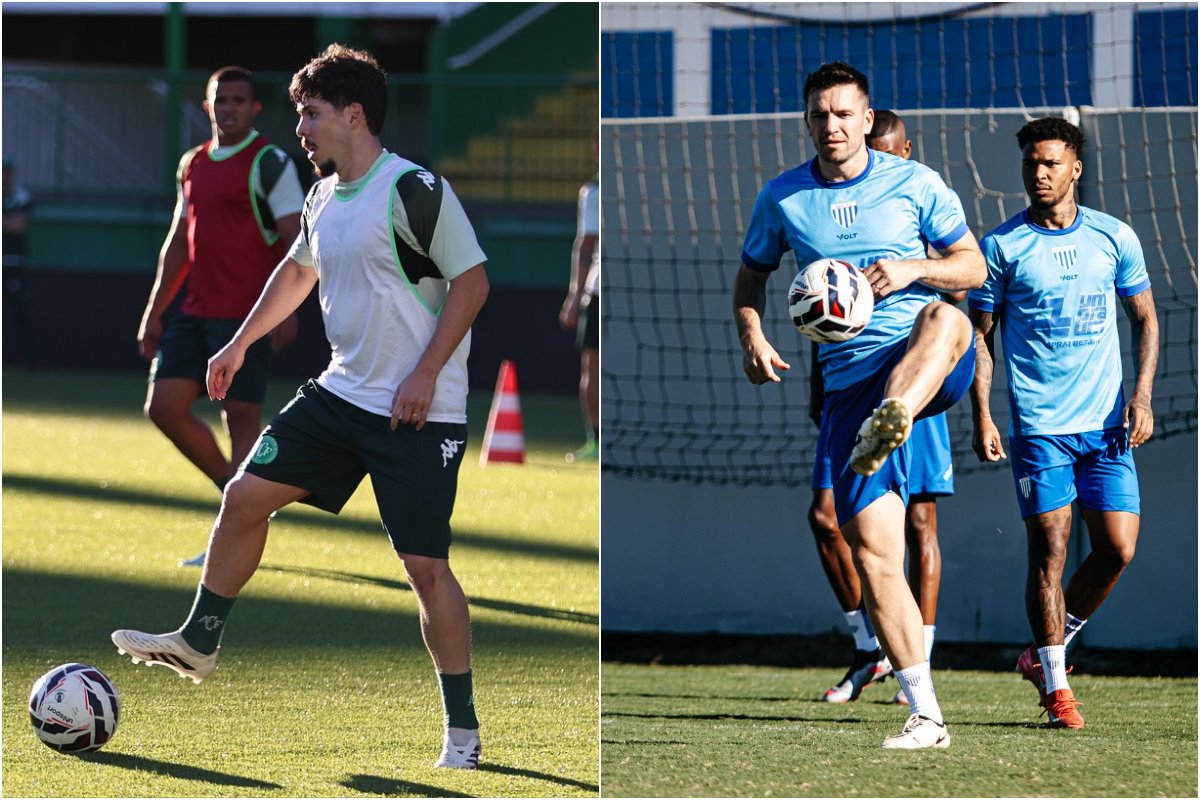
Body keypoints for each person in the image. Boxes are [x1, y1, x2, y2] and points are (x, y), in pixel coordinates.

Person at [113, 43, 491, 769]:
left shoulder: (414, 189)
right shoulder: (321, 196)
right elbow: (296, 272)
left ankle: (463, 734)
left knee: (425, 569)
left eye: (310, 114)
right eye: (297, 114)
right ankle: (200, 640)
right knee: (243, 495)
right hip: (340, 392)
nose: (300, 128)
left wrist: (425, 373)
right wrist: (237, 347)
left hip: (420, 411)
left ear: (354, 115)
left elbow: (471, 285)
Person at [733, 61, 984, 749]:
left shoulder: (915, 182)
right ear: (807, 120)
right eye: (820, 114)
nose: (832, 125)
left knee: (947, 319)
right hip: (848, 388)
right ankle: (926, 715)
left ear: (868, 120)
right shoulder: (783, 198)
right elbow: (749, 281)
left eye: (844, 113)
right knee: (875, 554)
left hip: (921, 363)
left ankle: (896, 415)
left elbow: (974, 266)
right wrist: (753, 334)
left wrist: (912, 268)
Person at [968, 117, 1157, 730]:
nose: (1040, 173)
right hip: (1039, 428)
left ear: (1076, 167)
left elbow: (1146, 320)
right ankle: (1056, 689)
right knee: (1049, 551)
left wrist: (1144, 397)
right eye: (1031, 164)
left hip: (1106, 426)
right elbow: (980, 337)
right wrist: (984, 414)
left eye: (1051, 163)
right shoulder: (1001, 247)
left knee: (1117, 550)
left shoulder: (1114, 237)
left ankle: (1043, 649)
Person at [812, 110, 960, 707]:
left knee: (919, 523)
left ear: (906, 152)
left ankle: (919, 662)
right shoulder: (833, 220)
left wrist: (981, 408)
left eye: (891, 152)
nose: (883, 161)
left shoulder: (922, 214)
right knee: (828, 520)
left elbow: (961, 311)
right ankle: (869, 645)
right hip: (849, 393)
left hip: (917, 385)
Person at [137, 66, 304, 568]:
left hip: (246, 316)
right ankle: (237, 500)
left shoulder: (270, 162)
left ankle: (236, 529)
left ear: (254, 109)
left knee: (242, 418)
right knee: (163, 406)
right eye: (220, 100)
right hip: (193, 312)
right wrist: (154, 310)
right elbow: (177, 243)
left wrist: (285, 312)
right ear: (208, 107)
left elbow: (297, 240)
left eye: (238, 100)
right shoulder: (193, 163)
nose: (229, 107)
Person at [559, 128, 599, 462]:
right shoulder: (594, 191)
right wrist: (575, 295)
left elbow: (585, 244)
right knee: (592, 365)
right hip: (596, 292)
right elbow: (585, 245)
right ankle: (595, 440)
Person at [3, 155, 36, 369]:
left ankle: (25, 361)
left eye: (7, 171)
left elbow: (17, 226)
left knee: (18, 311)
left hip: (13, 262)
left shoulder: (21, 197)